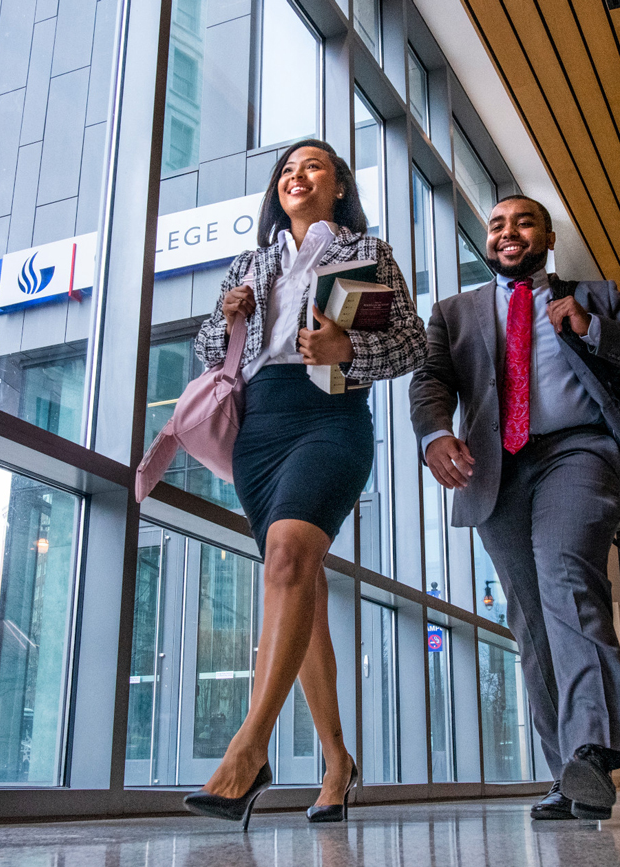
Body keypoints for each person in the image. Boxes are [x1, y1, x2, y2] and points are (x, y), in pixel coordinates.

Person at [409, 195, 620, 820]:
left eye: (523, 222)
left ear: (547, 237)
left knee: (566, 578)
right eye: (497, 225)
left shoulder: (596, 295)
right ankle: (573, 776)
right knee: (530, 619)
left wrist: (592, 328)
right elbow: (430, 381)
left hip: (579, 452)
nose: (508, 232)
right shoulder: (454, 312)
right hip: (496, 468)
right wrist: (434, 435)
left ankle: (590, 745)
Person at [183, 139, 426, 828]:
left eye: (312, 166)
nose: (297, 176)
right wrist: (225, 318)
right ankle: (337, 762)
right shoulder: (251, 261)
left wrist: (349, 348)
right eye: (287, 170)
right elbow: (210, 354)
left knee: (288, 556)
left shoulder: (366, 253)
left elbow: (410, 344)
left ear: (339, 185)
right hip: (261, 431)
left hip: (331, 418)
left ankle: (249, 748)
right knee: (304, 589)